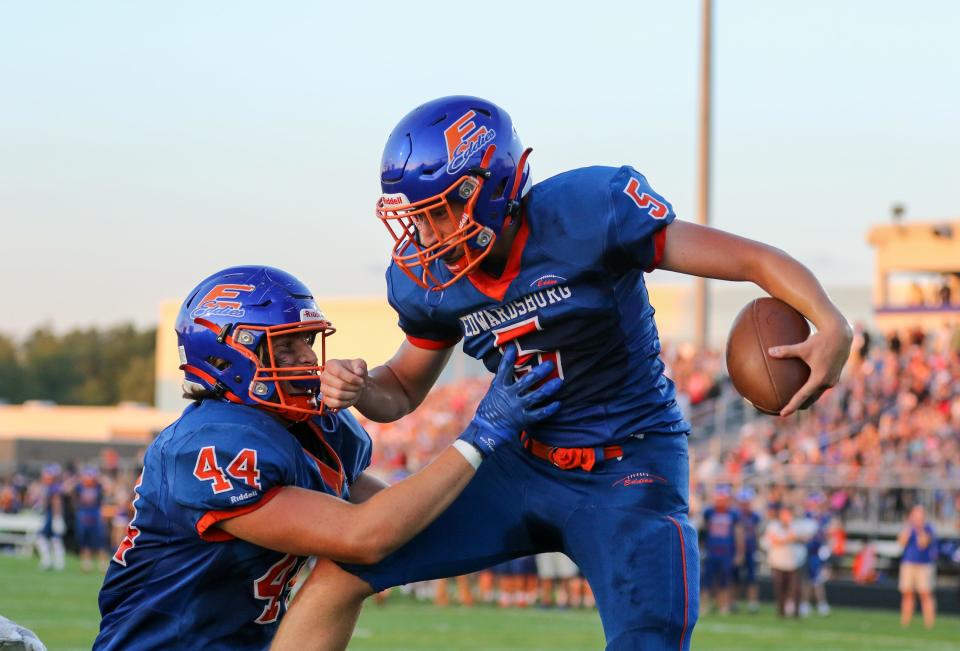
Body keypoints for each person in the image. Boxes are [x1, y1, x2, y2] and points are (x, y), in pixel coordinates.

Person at [276, 96, 853, 651]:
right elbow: (401, 389)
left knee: (647, 640)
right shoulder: (427, 279)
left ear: (492, 188)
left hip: (628, 468)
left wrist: (830, 319)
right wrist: (361, 388)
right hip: (519, 463)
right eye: (416, 218)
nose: (426, 236)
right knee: (340, 574)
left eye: (438, 211)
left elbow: (753, 260)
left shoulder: (587, 211)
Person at [93, 265, 560, 650]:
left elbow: (399, 518)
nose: (304, 358)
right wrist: (480, 435)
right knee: (347, 562)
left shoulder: (315, 427)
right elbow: (364, 537)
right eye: (285, 344)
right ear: (224, 353)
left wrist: (535, 498)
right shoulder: (208, 445)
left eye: (305, 341)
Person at [701, 487, 741, 615]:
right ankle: (704, 605)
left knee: (725, 580)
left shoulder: (733, 514)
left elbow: (738, 533)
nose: (721, 502)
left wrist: (740, 552)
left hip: (726, 552)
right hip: (711, 551)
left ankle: (724, 605)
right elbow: (704, 530)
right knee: (707, 580)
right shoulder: (709, 512)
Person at [763, 505, 807, 617]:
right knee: (779, 588)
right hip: (778, 562)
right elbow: (775, 540)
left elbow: (802, 537)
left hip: (794, 563)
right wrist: (789, 538)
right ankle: (781, 611)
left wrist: (788, 538)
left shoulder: (797, 526)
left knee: (795, 589)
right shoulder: (773, 526)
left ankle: (796, 612)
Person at [898, 504, 937, 628]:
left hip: (924, 565)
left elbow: (923, 543)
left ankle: (929, 623)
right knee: (907, 593)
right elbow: (901, 542)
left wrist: (919, 529)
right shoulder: (908, 528)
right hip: (908, 563)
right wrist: (909, 529)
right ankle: (905, 622)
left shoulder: (928, 528)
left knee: (925, 593)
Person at [733, 487, 761, 613]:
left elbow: (757, 533)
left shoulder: (755, 516)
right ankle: (734, 602)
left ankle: (752, 603)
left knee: (752, 578)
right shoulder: (735, 515)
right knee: (735, 578)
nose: (744, 505)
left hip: (751, 550)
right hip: (735, 550)